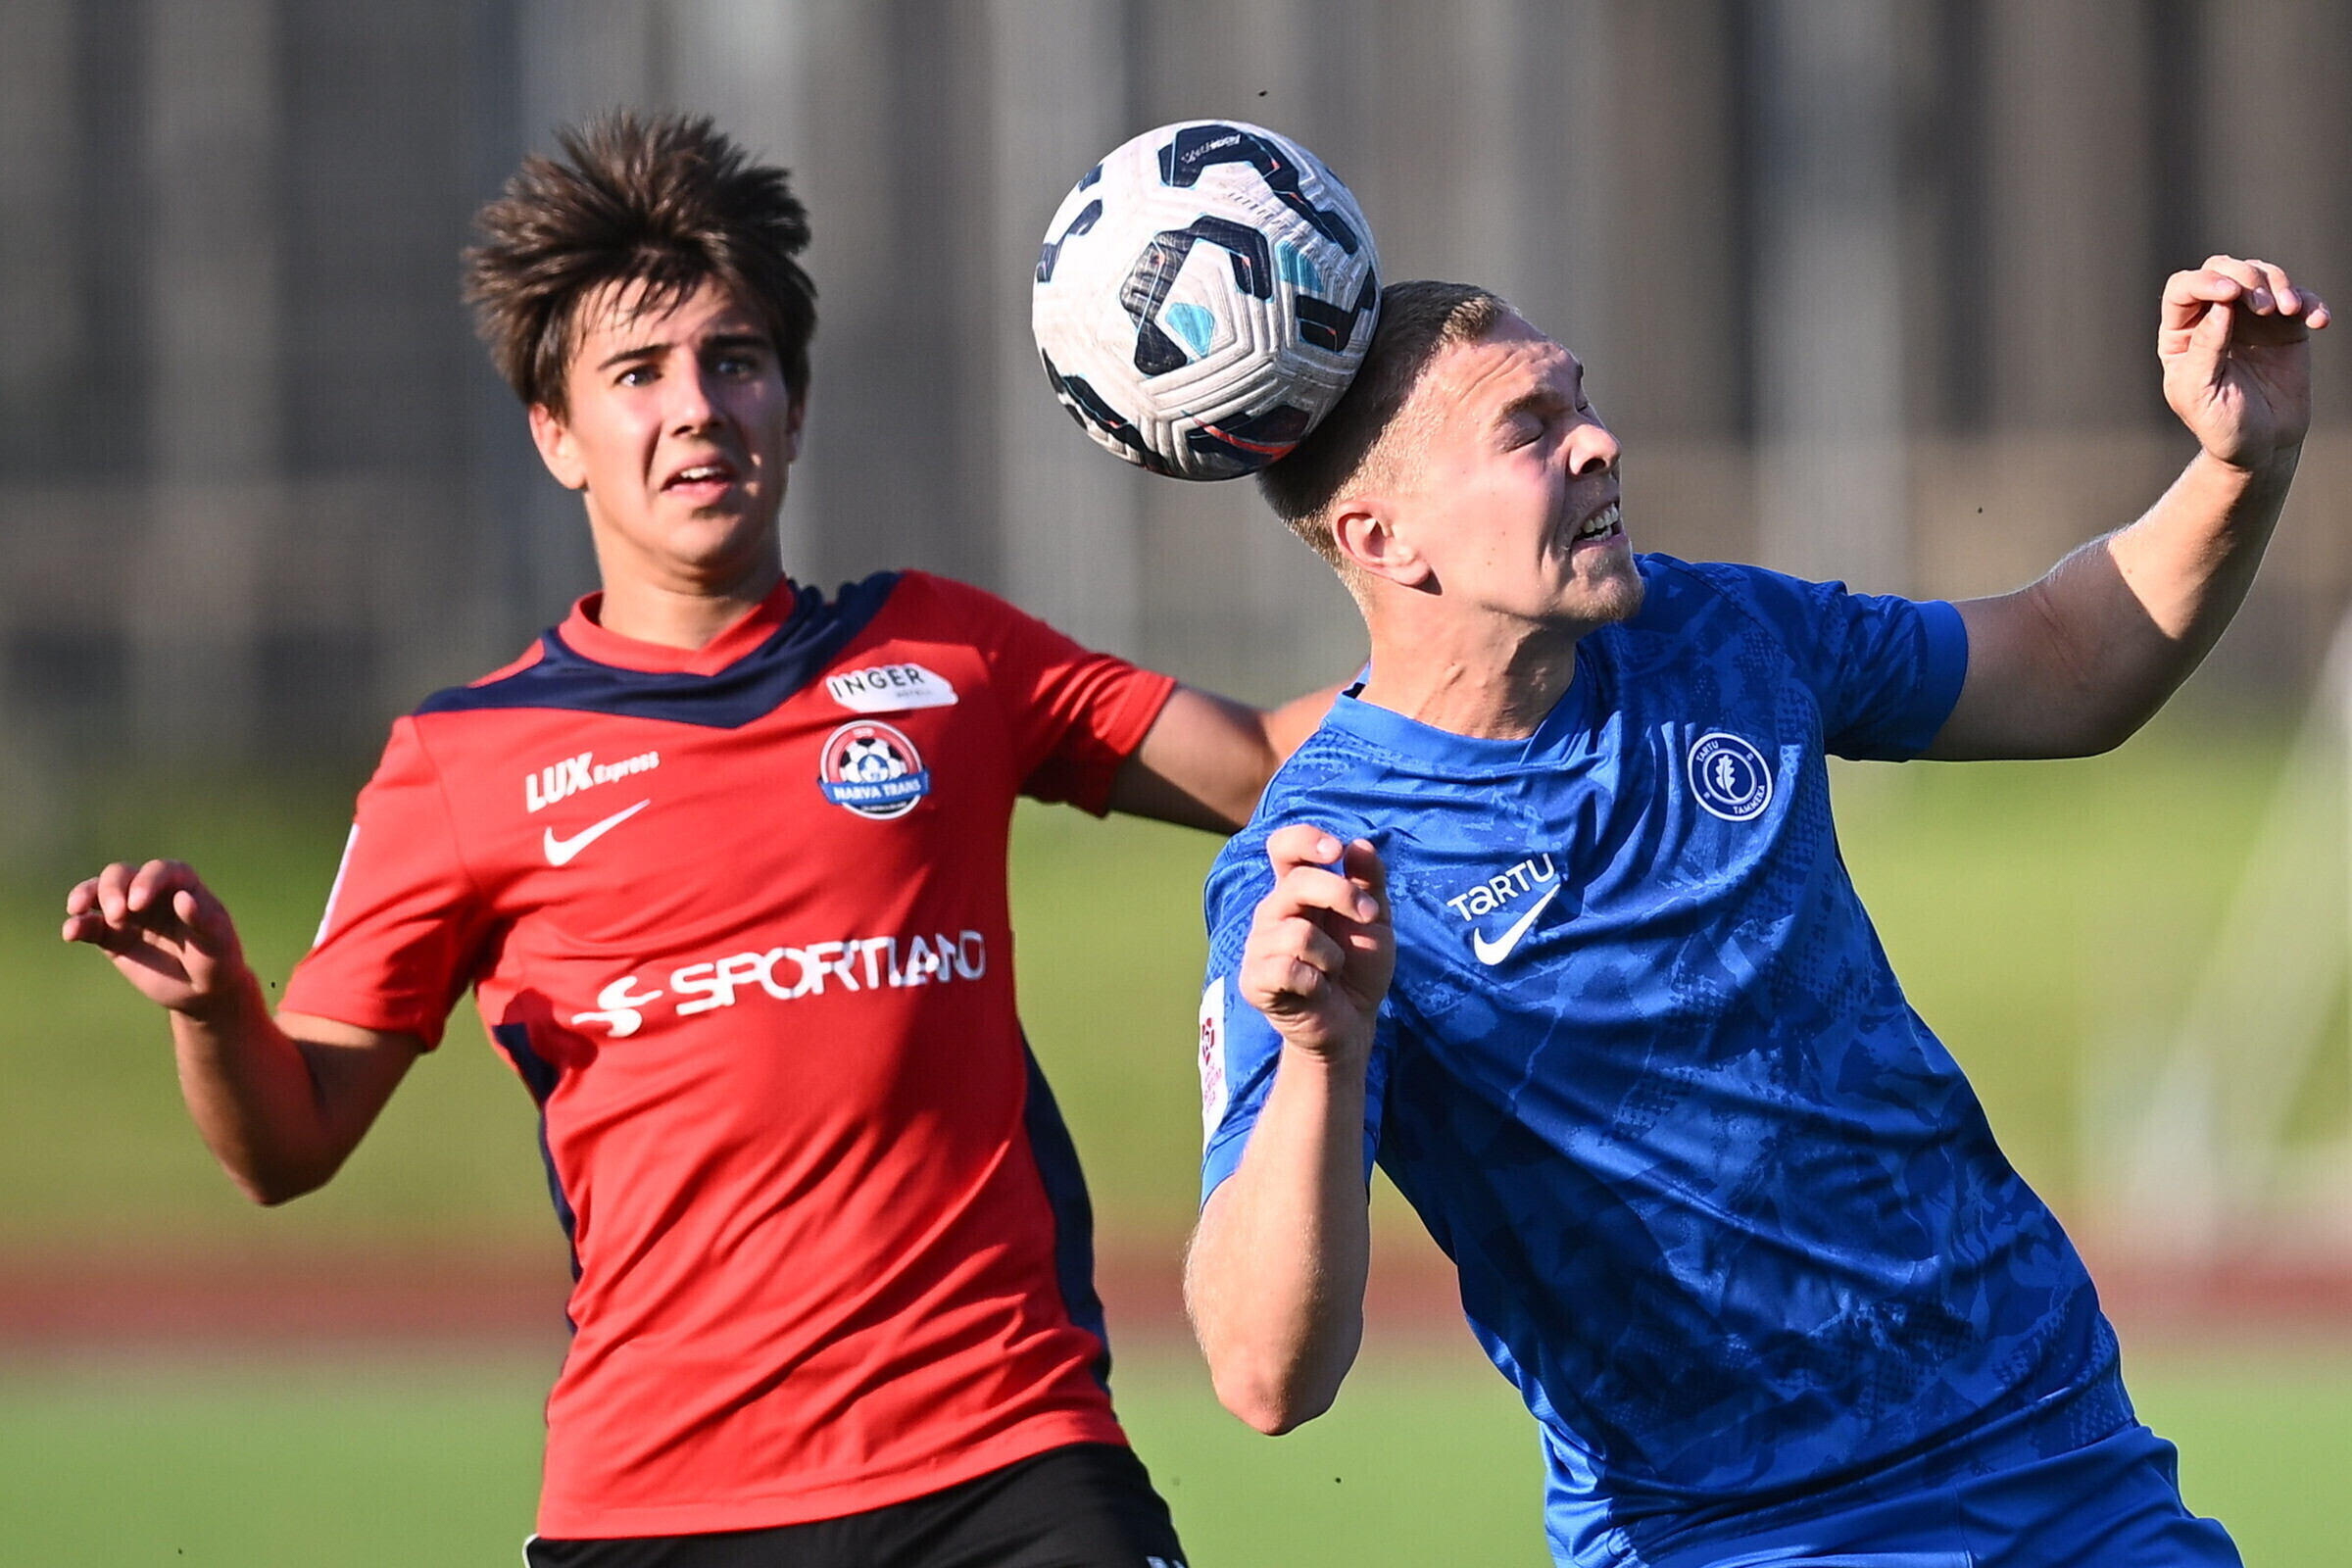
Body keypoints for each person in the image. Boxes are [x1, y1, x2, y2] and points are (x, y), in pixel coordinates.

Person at [64, 112, 1325, 1568]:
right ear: (556, 436)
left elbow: (1264, 763)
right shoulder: (460, 763)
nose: (698, 407)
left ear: (793, 402)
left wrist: (1475, 627)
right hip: (661, 1505)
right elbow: (286, 1146)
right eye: (637, 373)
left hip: (1009, 1457)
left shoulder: (946, 655)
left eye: (735, 361)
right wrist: (217, 1006)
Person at [1185, 259, 2326, 1567]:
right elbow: (1264, 1376)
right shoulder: (1316, 875)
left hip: (2053, 1452)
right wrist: (1324, 1058)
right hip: (1739, 1534)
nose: (1598, 443)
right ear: (1384, 540)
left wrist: (2240, 466)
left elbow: (2067, 663)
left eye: (1579, 400)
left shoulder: (1714, 633)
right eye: (1529, 429)